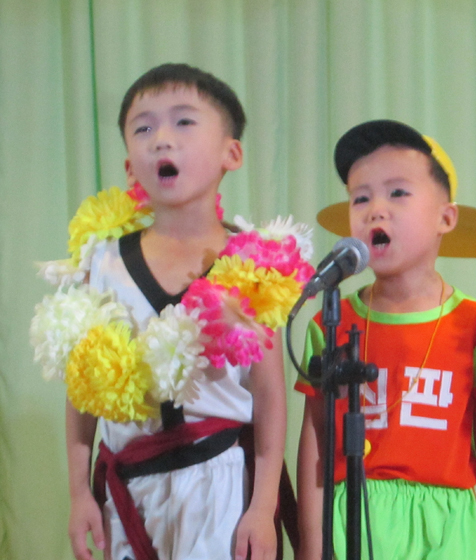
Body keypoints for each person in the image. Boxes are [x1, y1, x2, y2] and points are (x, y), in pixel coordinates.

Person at [33, 63, 307, 560]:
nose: (162, 139)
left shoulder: (256, 269)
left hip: (221, 487)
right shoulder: (102, 262)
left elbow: (268, 399)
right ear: (128, 166)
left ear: (232, 153)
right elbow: (82, 394)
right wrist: (78, 495)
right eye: (143, 128)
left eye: (184, 122)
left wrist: (262, 508)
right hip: (128, 493)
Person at [295, 120, 476, 560]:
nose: (376, 209)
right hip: (352, 520)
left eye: (398, 193)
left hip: (444, 526)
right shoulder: (332, 322)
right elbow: (316, 438)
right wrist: (311, 541)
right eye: (360, 198)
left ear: (446, 217)